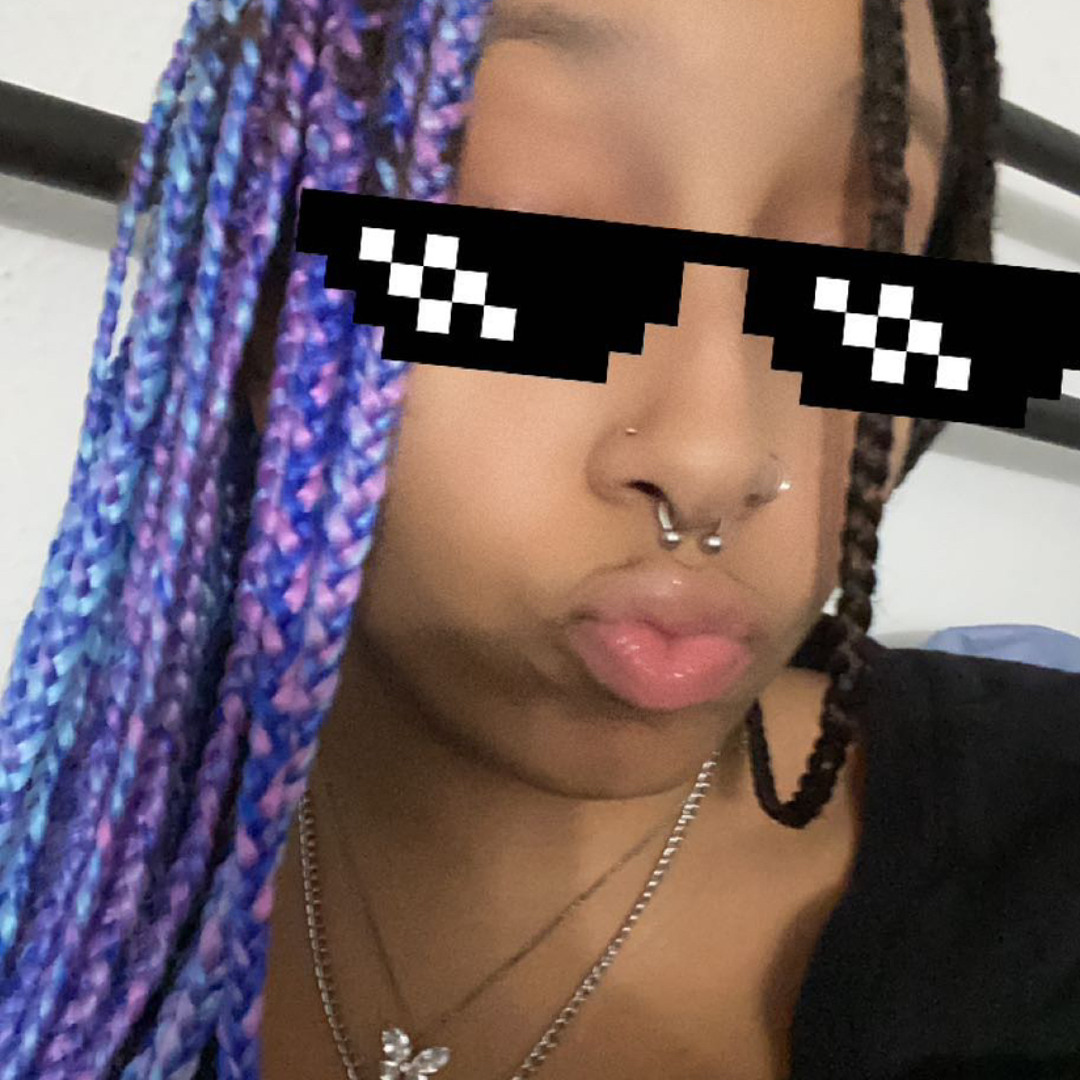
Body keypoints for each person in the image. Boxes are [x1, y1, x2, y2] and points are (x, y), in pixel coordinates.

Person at [1, 1, 1077, 1079]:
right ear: (258, 303)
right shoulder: (58, 897)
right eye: (531, 255)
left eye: (861, 290)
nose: (715, 459)